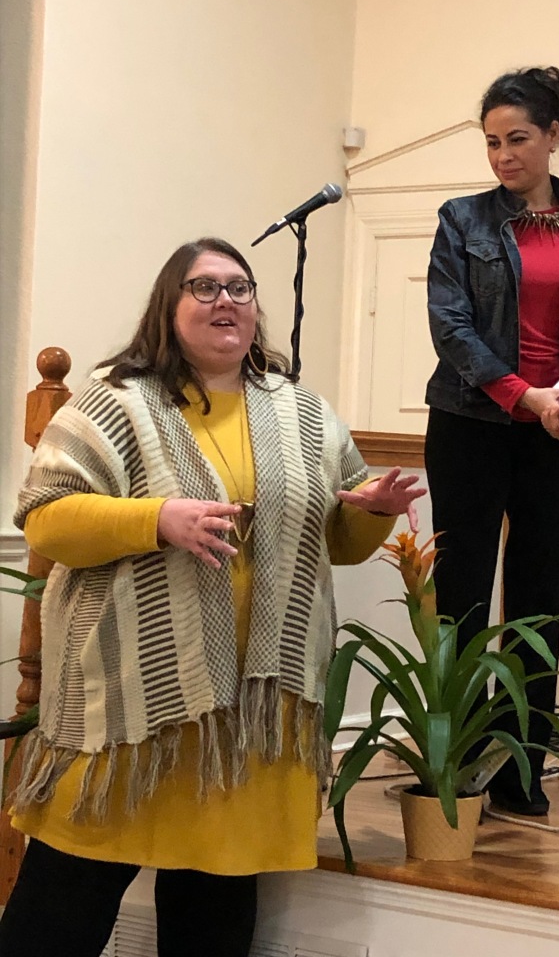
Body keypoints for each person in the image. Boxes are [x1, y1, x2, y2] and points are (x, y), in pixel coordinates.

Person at [0, 236, 425, 957]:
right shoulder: (113, 403)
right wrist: (156, 519)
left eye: (239, 287)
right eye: (204, 287)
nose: (225, 300)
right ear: (168, 308)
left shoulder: (306, 415)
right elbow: (48, 516)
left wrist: (374, 509)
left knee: (216, 911)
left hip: (251, 717)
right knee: (63, 904)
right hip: (130, 711)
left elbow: (342, 544)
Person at [424, 67, 559, 816]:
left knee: (537, 601)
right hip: (471, 426)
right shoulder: (462, 220)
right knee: (464, 601)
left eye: (517, 139)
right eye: (491, 143)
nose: (503, 156)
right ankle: (449, 769)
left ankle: (521, 775)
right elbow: (451, 330)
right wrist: (525, 396)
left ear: (553, 137)